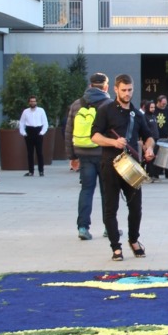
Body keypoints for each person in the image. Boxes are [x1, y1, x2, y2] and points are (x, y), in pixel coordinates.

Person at [90, 74, 155, 261]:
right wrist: (113, 142)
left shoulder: (137, 114)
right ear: (115, 89)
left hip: (131, 166)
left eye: (130, 90)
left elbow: (149, 136)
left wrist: (149, 147)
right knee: (111, 208)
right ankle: (115, 247)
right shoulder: (106, 110)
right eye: (124, 90)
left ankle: (133, 240)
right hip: (111, 164)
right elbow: (94, 136)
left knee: (136, 207)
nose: (127, 93)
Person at [64, 72, 111, 241]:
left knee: (86, 190)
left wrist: (72, 156)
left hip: (83, 154)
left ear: (90, 86)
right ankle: (109, 227)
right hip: (104, 154)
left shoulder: (77, 104)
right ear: (106, 87)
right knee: (107, 192)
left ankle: (83, 228)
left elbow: (68, 131)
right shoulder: (109, 104)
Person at [18, 96, 48, 176]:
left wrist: (42, 132)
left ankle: (41, 171)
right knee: (30, 153)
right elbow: (22, 123)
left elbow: (45, 123)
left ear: (36, 102)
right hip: (29, 131)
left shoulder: (41, 110)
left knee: (39, 152)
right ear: (29, 102)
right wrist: (23, 133)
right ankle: (31, 171)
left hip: (38, 131)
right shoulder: (25, 112)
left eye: (34, 101)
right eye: (31, 101)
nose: (33, 103)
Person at [149, 95, 168, 181]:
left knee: (166, 155)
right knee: (156, 155)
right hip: (156, 136)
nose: (164, 105)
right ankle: (155, 173)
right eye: (163, 104)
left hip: (165, 135)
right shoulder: (154, 110)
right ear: (158, 102)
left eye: (165, 104)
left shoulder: (167, 111)